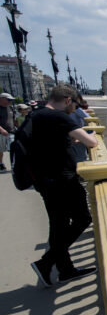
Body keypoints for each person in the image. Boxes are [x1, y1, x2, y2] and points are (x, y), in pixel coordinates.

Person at [28, 85, 99, 287]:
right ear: (68, 100)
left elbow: (48, 143)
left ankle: (65, 269)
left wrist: (69, 139)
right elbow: (91, 143)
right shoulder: (58, 116)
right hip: (62, 180)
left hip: (44, 180)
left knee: (58, 225)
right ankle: (46, 262)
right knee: (83, 219)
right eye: (75, 105)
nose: (75, 109)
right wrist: (92, 135)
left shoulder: (36, 114)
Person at [0, 92, 15, 171]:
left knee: (13, 148)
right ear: (2, 99)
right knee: (1, 150)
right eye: (8, 99)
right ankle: (1, 163)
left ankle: (14, 164)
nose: (10, 101)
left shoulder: (10, 108)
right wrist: (2, 130)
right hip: (1, 133)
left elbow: (13, 119)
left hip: (11, 132)